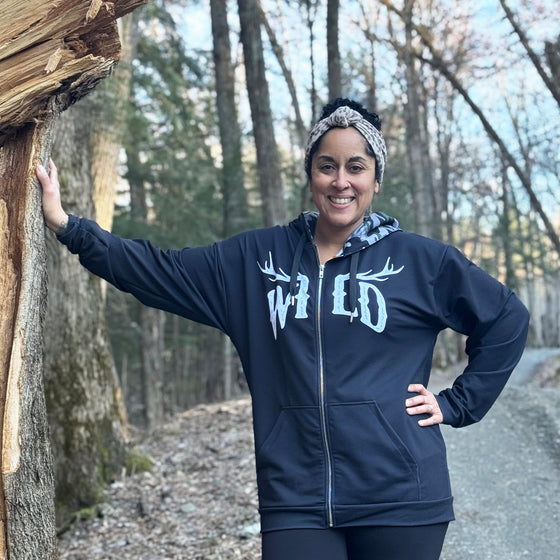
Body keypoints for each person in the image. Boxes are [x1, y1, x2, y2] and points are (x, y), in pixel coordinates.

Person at [37, 98, 530, 560]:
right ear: (311, 174)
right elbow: (160, 271)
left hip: (402, 496)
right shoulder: (257, 260)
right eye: (327, 166)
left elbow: (506, 318)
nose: (341, 181)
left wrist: (456, 404)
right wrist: (67, 225)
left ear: (376, 178)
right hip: (296, 497)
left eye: (356, 167)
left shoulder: (419, 261)